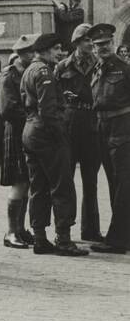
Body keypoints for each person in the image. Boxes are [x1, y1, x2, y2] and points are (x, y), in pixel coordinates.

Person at [19, 32, 89, 256]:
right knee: (62, 186)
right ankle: (64, 240)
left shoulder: (30, 69)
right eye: (57, 48)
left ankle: (40, 238)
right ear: (45, 50)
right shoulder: (45, 72)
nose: (61, 52)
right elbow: (48, 111)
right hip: (47, 134)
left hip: (31, 131)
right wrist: (61, 135)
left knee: (38, 187)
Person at [55, 23, 103, 242]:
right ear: (76, 42)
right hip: (70, 125)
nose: (91, 44)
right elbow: (54, 95)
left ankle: (91, 229)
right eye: (86, 40)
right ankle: (64, 229)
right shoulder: (62, 66)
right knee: (66, 180)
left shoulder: (99, 64)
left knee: (91, 181)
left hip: (92, 124)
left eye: (92, 40)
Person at [88, 23, 130, 254]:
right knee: (114, 182)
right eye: (98, 45)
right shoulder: (97, 68)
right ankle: (123, 235)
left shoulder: (124, 68)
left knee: (124, 183)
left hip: (123, 128)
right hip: (102, 128)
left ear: (113, 43)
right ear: (93, 48)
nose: (102, 48)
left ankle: (117, 239)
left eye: (105, 44)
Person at [0, 35, 39, 248]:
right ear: (20, 54)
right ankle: (11, 232)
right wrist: (33, 116)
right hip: (16, 131)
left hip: (28, 130)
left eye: (34, 51)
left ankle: (21, 229)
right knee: (19, 182)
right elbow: (7, 109)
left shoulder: (28, 73)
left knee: (26, 182)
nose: (33, 55)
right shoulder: (9, 76)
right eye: (28, 52)